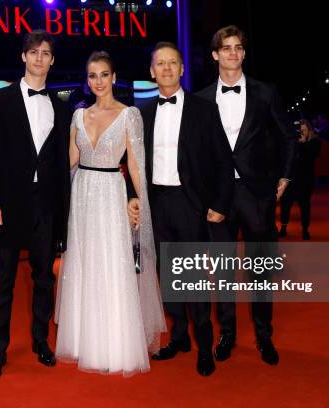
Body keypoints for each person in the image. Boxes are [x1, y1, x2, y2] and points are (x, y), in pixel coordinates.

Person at [54, 51, 166, 377]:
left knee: (112, 263)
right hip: (83, 195)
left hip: (111, 193)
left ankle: (115, 343)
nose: (99, 81)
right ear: (87, 81)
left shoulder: (130, 114)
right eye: (92, 76)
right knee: (85, 261)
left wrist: (137, 201)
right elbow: (70, 161)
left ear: (114, 77)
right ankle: (85, 340)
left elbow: (134, 163)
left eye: (104, 74)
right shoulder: (78, 116)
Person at [126, 42, 234, 376]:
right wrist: (133, 196)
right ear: (152, 71)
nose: (167, 69)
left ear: (182, 69)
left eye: (173, 63)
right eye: (161, 64)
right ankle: (179, 337)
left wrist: (219, 204)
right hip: (156, 203)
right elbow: (131, 161)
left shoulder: (204, 109)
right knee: (168, 276)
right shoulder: (140, 113)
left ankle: (204, 346)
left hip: (191, 204)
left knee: (194, 277)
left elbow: (222, 160)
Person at [196, 25, 297, 366]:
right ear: (215, 55)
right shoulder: (201, 99)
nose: (233, 53)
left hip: (258, 195)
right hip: (218, 198)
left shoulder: (265, 93)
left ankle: (264, 336)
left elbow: (288, 136)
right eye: (226, 48)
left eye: (238, 47)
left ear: (243, 52)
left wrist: (285, 175)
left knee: (260, 270)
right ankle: (227, 334)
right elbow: (195, 153)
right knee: (222, 271)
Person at [0, 30, 71, 382]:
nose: (38, 58)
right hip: (8, 205)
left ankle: (40, 341)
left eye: (45, 53)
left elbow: (63, 164)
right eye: (33, 52)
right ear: (23, 57)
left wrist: (64, 213)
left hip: (45, 206)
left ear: (51, 60)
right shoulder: (0, 100)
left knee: (44, 278)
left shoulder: (61, 108)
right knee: (2, 281)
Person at [279, 119, 322, 239]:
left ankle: (305, 230)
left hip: (305, 180)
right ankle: (283, 228)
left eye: (303, 130)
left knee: (305, 205)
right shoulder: (291, 142)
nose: (301, 133)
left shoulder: (315, 142)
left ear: (309, 130)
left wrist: (302, 143)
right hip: (290, 179)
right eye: (299, 131)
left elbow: (314, 154)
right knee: (285, 204)